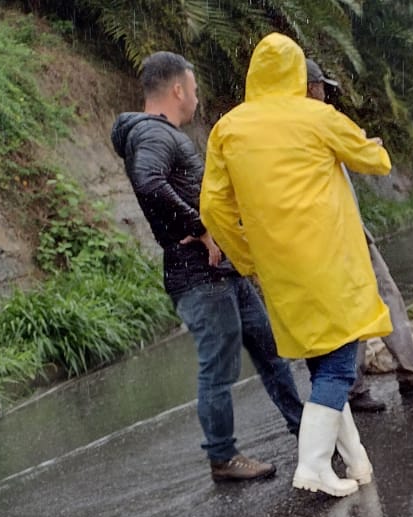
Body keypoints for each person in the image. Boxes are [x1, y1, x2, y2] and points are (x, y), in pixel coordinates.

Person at [199, 34, 390, 499]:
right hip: (328, 264)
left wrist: (246, 257)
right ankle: (312, 466)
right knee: (341, 364)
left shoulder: (228, 129)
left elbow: (212, 208)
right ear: (298, 77)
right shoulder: (317, 116)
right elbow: (376, 161)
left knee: (322, 362)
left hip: (278, 272)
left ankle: (357, 458)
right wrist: (371, 145)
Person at [112, 51, 304, 482]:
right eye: (194, 89)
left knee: (270, 349)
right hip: (198, 275)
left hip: (222, 272)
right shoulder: (153, 135)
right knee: (218, 366)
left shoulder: (157, 133)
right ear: (178, 89)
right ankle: (222, 457)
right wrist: (201, 228)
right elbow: (149, 181)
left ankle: (306, 429)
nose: (197, 98)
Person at [303, 59, 413, 413]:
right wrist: (371, 149)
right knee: (353, 312)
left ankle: (411, 371)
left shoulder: (315, 126)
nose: (326, 94)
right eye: (322, 87)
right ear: (310, 88)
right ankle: (353, 389)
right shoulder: (314, 123)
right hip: (333, 240)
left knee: (385, 297)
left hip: (353, 233)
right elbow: (372, 160)